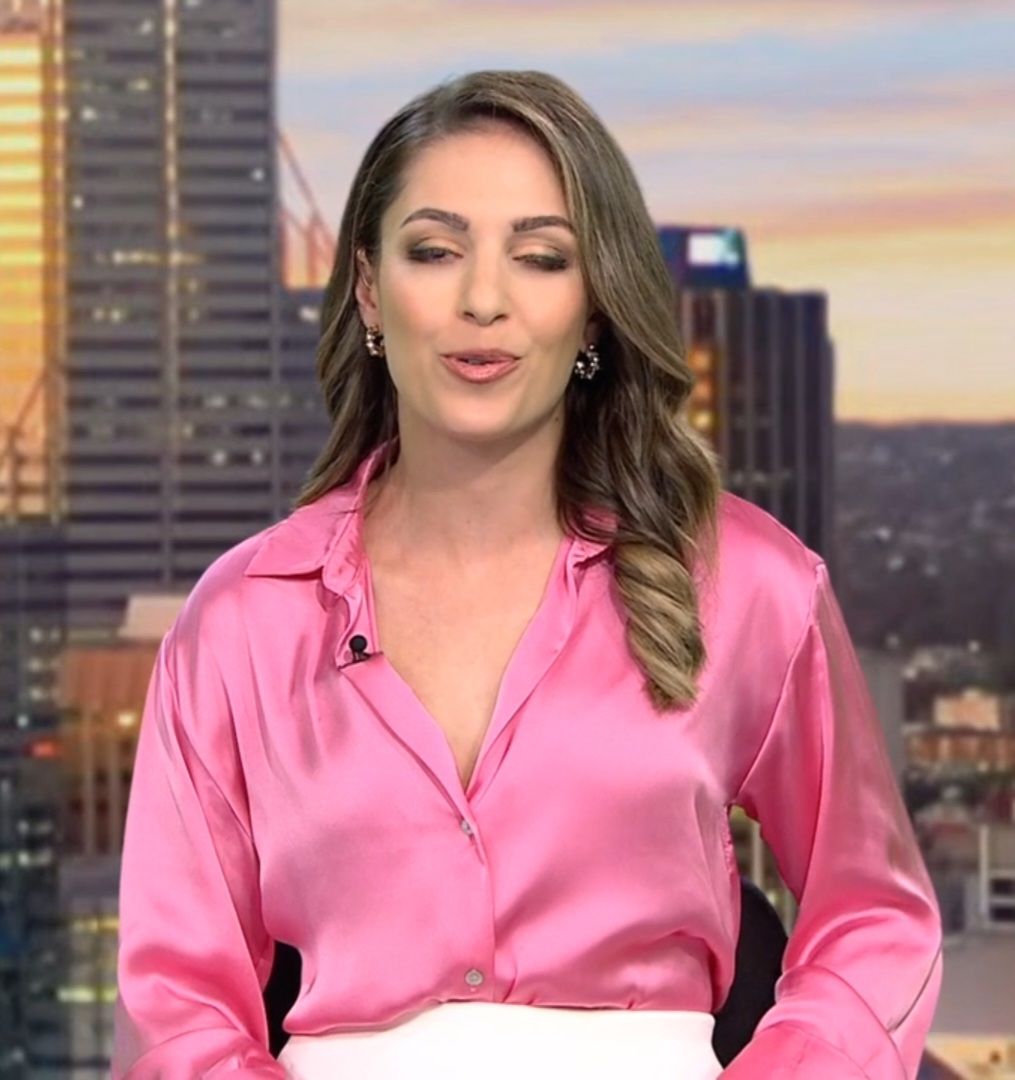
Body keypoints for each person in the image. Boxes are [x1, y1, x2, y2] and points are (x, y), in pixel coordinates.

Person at [111, 69, 943, 1079]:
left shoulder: (747, 583)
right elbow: (177, 1008)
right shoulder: (241, 621)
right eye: (434, 251)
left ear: (592, 309)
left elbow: (874, 917)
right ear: (370, 287)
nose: (483, 301)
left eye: (541, 258)